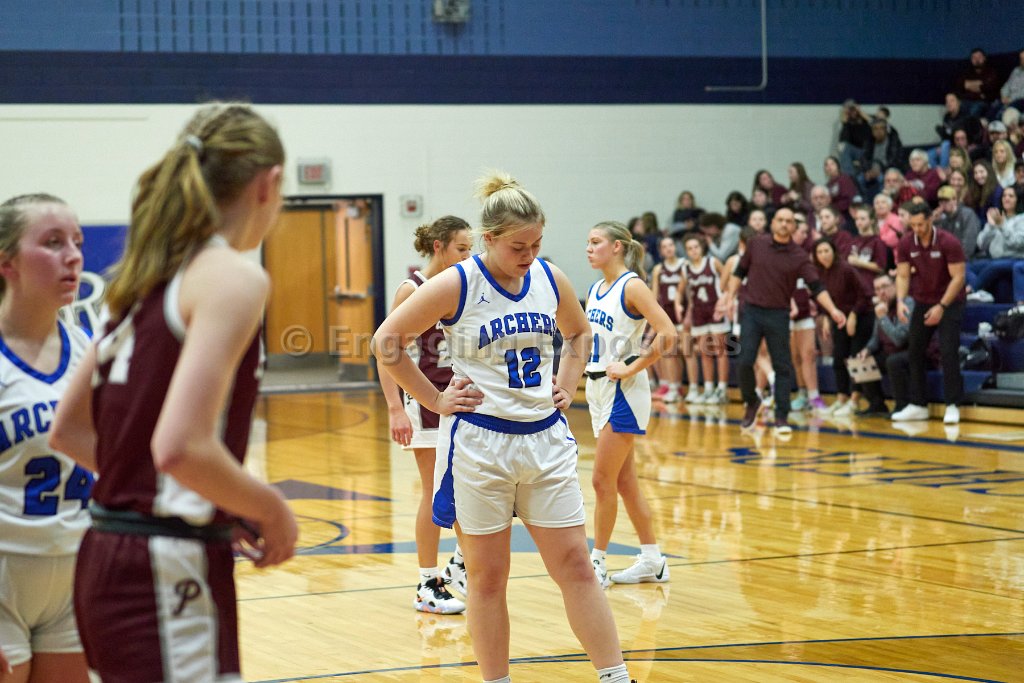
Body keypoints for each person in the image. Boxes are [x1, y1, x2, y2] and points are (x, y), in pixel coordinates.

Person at [49, 103, 299, 682]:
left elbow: (70, 430)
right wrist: (270, 507)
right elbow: (181, 447)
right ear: (269, 184)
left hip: (108, 553)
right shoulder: (232, 276)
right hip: (163, 566)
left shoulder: (142, 280)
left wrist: (213, 498)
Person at [371, 171, 632, 683]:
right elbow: (386, 342)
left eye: (537, 244)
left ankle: (616, 677)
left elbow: (579, 334)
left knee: (577, 566)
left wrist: (568, 383)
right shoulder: (458, 283)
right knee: (488, 578)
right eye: (518, 246)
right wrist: (433, 400)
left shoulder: (550, 278)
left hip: (545, 438)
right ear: (488, 239)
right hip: (480, 444)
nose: (529, 255)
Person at [0, 194, 92, 683]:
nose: (73, 256)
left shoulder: (88, 349)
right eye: (53, 243)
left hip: (77, 568)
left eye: (76, 242)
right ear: (7, 263)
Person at [378, 216, 472, 614]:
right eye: (461, 249)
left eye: (470, 249)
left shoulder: (462, 287)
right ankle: (426, 582)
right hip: (425, 405)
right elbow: (386, 350)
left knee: (468, 490)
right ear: (439, 246)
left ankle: (460, 564)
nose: (468, 256)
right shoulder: (412, 289)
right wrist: (395, 408)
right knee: (434, 491)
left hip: (460, 403)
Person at [584, 221, 676, 589]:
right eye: (588, 242)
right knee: (624, 482)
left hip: (624, 390)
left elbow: (668, 333)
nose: (589, 248)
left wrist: (633, 365)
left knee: (601, 480)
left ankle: (597, 562)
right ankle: (653, 560)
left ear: (618, 247)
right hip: (597, 388)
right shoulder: (595, 289)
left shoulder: (632, 286)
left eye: (596, 242)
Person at [714, 208, 847, 434]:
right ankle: (752, 401)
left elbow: (816, 287)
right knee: (745, 361)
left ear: (794, 227)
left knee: (782, 366)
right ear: (773, 222)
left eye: (789, 221)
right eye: (780, 220)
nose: (784, 224)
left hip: (779, 314)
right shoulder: (756, 245)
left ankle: (782, 417)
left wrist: (833, 310)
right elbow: (739, 272)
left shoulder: (799, 256)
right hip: (752, 311)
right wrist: (728, 297)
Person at [891, 202, 967, 425]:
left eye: (921, 224)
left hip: (950, 301)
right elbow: (903, 275)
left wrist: (941, 307)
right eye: (913, 225)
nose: (917, 229)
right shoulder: (906, 243)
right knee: (915, 350)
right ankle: (918, 405)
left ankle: (952, 405)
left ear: (931, 219)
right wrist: (900, 301)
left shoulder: (948, 242)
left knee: (948, 351)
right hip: (923, 301)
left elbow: (959, 278)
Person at [855, 274, 938, 417]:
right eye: (877, 289)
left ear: (895, 286)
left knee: (893, 361)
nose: (881, 292)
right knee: (861, 361)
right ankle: (876, 405)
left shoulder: (907, 303)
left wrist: (882, 317)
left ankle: (902, 406)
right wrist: (866, 350)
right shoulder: (881, 307)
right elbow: (875, 338)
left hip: (919, 353)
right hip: (894, 352)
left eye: (884, 287)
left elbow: (899, 339)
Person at [813, 238, 873, 417]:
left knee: (857, 358)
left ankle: (855, 400)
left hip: (861, 316)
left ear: (834, 251)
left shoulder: (846, 269)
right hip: (839, 319)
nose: (824, 255)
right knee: (839, 358)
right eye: (819, 252)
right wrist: (826, 317)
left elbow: (865, 294)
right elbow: (823, 299)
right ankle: (841, 398)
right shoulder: (819, 273)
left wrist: (854, 315)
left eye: (826, 250)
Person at [681, 234, 730, 405]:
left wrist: (726, 301)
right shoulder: (686, 269)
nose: (693, 250)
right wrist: (683, 309)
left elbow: (729, 281)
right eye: (689, 248)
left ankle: (722, 389)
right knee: (704, 352)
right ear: (686, 252)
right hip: (699, 313)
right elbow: (684, 292)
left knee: (720, 350)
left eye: (696, 247)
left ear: (701, 248)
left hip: (716, 310)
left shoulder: (713, 262)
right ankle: (708, 388)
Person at [787, 217, 825, 413]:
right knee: (795, 356)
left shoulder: (806, 256)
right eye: (801, 232)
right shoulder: (780, 255)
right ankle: (802, 394)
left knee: (808, 354)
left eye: (805, 232)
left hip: (804, 312)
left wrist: (811, 298)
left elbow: (814, 283)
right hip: (785, 312)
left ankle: (814, 396)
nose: (804, 235)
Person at [649, 236, 690, 403]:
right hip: (667, 317)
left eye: (671, 244)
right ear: (661, 251)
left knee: (684, 352)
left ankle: (682, 387)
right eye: (665, 246)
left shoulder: (685, 265)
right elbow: (654, 296)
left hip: (683, 315)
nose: (669, 248)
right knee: (668, 352)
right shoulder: (658, 269)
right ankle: (673, 387)